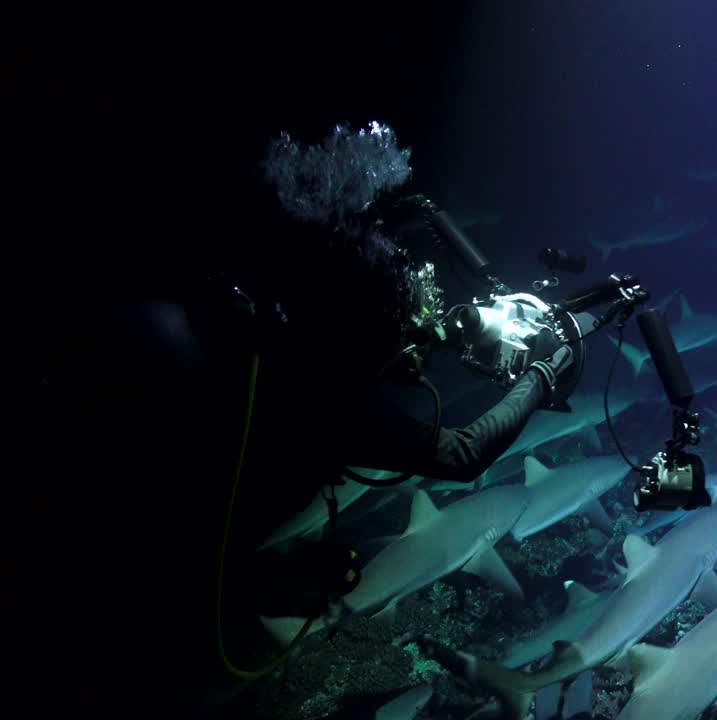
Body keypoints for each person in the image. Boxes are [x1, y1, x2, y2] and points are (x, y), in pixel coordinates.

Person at [22, 121, 577, 712]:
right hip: (151, 562)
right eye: (393, 331)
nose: (407, 347)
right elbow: (462, 455)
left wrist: (447, 332)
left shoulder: (272, 332)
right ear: (360, 326)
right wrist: (544, 377)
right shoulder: (329, 397)